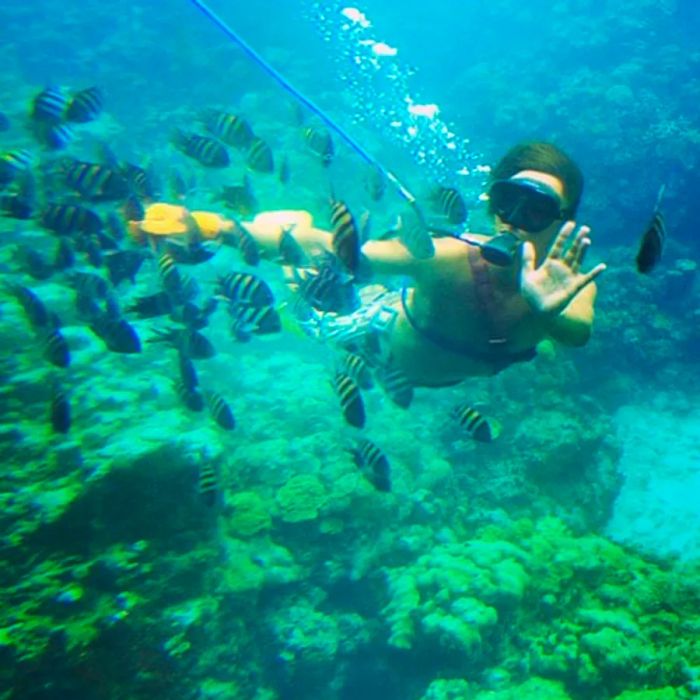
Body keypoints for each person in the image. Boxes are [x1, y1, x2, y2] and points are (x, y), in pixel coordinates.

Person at [131, 142, 606, 388]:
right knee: (310, 287)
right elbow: (334, 251)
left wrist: (545, 311)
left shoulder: (570, 283)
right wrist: (210, 227)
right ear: (491, 203)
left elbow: (577, 332)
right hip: (378, 336)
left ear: (566, 219)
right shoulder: (446, 256)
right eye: (508, 201)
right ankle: (280, 217)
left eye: (538, 209)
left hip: (446, 378)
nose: (517, 221)